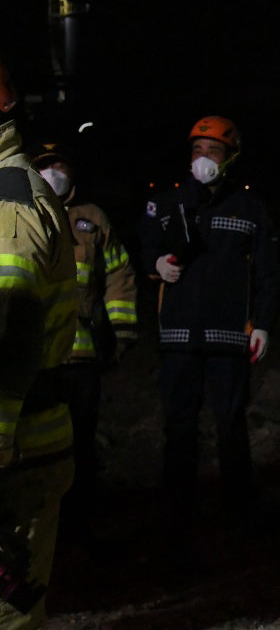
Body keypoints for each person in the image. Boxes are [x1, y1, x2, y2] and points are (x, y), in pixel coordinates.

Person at [137, 116, 279, 528]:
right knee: (179, 426)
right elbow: (144, 248)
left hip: (229, 338)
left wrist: (264, 323)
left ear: (231, 157)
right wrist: (157, 263)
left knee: (231, 424)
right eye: (197, 150)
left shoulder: (251, 209)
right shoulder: (167, 203)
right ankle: (177, 510)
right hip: (179, 337)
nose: (204, 159)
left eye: (213, 151)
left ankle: (237, 507)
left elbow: (269, 272)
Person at [0, 61, 78, 629]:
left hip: (17, 451)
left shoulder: (11, 200)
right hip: (15, 445)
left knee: (9, 613)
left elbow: (13, 332)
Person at [31, 142, 137, 535]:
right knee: (39, 446)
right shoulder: (22, 216)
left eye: (57, 164)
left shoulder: (92, 219)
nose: (52, 172)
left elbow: (118, 275)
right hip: (36, 359)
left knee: (81, 442)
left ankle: (82, 518)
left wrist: (122, 331)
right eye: (43, 166)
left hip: (81, 357)